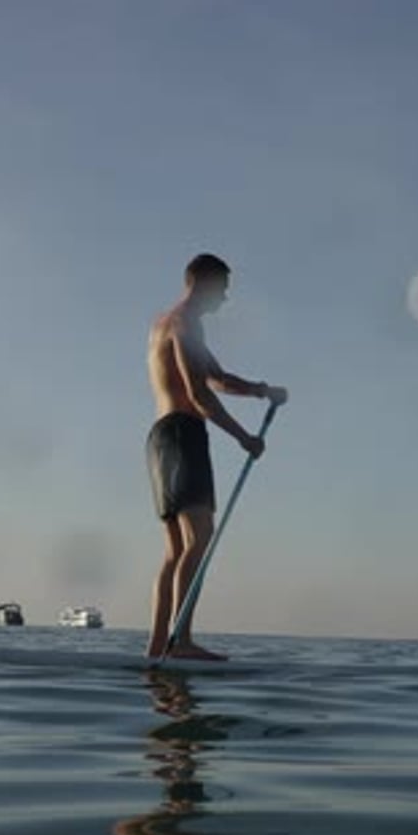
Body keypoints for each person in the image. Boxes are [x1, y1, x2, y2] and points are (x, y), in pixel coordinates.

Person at [146, 253, 287, 660]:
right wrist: (244, 438)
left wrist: (262, 390)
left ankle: (158, 648)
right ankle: (182, 641)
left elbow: (218, 378)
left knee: (177, 549)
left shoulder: (168, 323)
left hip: (160, 439)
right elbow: (199, 394)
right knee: (201, 536)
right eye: (222, 289)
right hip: (181, 434)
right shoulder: (185, 322)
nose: (225, 299)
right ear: (204, 282)